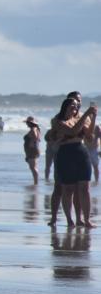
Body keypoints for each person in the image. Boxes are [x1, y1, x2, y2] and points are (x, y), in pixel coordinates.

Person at [51, 97, 97, 227]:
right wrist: (86, 114)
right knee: (68, 188)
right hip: (65, 154)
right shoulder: (57, 121)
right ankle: (69, 220)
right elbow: (72, 131)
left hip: (81, 152)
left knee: (85, 187)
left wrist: (93, 118)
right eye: (72, 106)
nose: (75, 108)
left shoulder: (80, 118)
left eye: (77, 106)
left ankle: (86, 219)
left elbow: (89, 136)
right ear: (65, 107)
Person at [23, 116, 41, 186]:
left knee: (33, 167)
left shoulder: (33, 129)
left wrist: (31, 143)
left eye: (27, 122)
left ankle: (36, 183)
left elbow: (36, 138)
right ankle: (35, 182)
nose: (26, 124)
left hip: (32, 150)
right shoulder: (35, 129)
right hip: (32, 150)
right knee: (32, 167)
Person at [87, 118, 100, 183]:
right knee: (86, 167)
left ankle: (96, 181)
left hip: (94, 150)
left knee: (95, 166)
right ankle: (87, 182)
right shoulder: (84, 125)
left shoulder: (96, 127)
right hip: (85, 149)